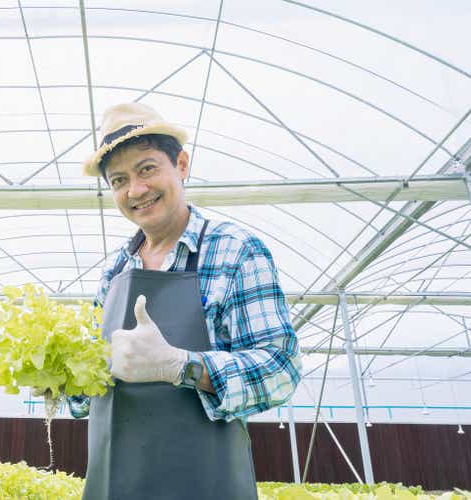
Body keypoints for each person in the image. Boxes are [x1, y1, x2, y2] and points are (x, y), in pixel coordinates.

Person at [68, 102, 302, 500]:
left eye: (146, 169)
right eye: (119, 180)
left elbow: (281, 369)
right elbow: (90, 393)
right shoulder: (114, 273)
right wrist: (64, 380)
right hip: (114, 486)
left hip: (203, 486)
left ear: (181, 164)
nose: (135, 190)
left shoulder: (234, 250)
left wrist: (183, 366)